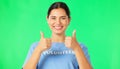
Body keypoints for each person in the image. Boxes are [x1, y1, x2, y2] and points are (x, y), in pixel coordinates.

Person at [22, 1, 92, 69]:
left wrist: (76, 48)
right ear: (47, 19)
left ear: (69, 20)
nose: (58, 22)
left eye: (63, 18)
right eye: (53, 18)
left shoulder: (80, 47)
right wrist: (39, 49)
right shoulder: (36, 47)